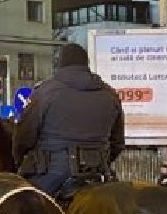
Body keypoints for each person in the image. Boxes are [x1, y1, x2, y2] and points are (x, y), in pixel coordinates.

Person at [12, 42, 124, 197]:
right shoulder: (110, 94)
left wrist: (19, 161)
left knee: (23, 212)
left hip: (51, 174)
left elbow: (24, 136)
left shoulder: (45, 92)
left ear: (60, 64)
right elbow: (118, 142)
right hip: (98, 174)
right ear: (86, 64)